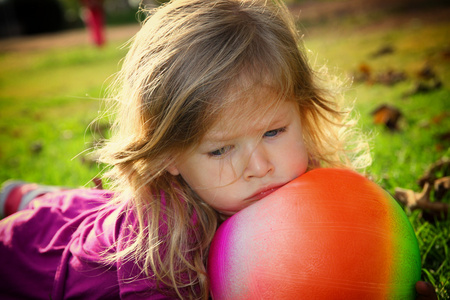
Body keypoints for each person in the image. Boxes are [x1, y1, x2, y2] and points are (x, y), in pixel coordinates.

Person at [0, 0, 437, 299]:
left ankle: (27, 195)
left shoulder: (302, 183)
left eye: (272, 132)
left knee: (80, 209)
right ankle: (25, 205)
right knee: (44, 233)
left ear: (301, 112)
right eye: (220, 150)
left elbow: (350, 245)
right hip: (26, 261)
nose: (260, 167)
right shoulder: (154, 256)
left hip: (89, 213)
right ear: (166, 156)